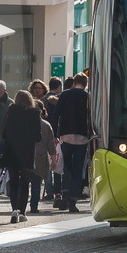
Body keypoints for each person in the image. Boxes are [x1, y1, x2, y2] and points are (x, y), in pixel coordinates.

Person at [0, 89, 43, 223]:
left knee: (14, 182)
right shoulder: (34, 114)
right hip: (27, 152)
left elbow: (4, 133)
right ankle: (22, 212)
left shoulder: (10, 112)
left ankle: (14, 210)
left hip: (11, 151)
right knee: (24, 183)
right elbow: (38, 137)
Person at [56, 74, 94, 211]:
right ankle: (73, 201)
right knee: (78, 169)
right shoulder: (88, 96)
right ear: (86, 84)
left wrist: (56, 134)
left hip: (66, 135)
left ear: (74, 83)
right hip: (82, 138)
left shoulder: (65, 95)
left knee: (66, 167)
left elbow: (56, 114)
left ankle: (64, 192)